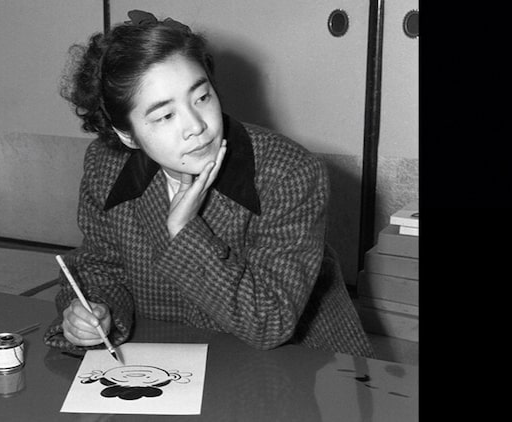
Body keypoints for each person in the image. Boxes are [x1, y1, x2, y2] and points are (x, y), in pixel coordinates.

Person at [43, 10, 375, 358]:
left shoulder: (288, 173)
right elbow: (100, 265)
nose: (196, 126)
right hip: (172, 356)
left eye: (201, 98)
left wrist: (184, 230)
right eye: (165, 115)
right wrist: (95, 310)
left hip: (298, 361)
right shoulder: (107, 166)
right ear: (127, 135)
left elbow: (270, 320)